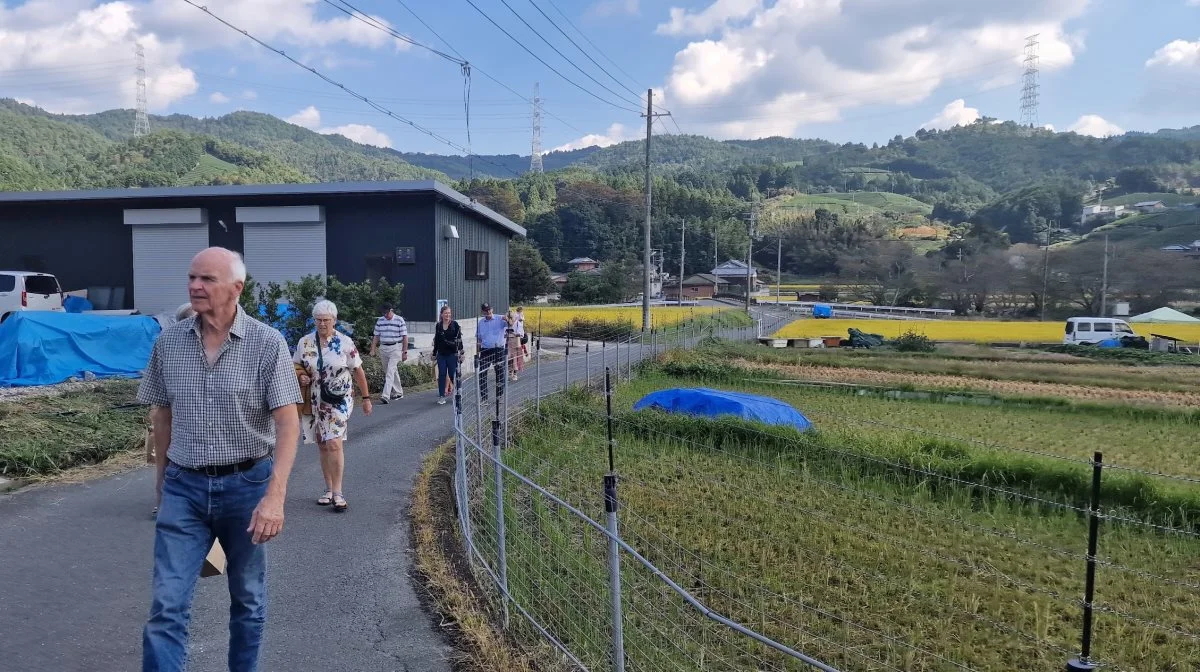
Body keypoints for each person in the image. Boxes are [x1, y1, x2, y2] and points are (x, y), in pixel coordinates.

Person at [139, 247, 302, 672]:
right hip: (184, 488)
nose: (195, 286)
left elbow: (288, 425)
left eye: (207, 279)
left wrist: (275, 497)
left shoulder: (267, 344)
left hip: (247, 488)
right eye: (192, 277)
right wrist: (161, 482)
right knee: (166, 605)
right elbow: (162, 417)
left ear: (236, 288)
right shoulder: (168, 342)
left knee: (247, 599)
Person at [293, 300, 373, 512]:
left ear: (334, 320)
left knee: (334, 443)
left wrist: (366, 398)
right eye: (318, 320)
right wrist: (301, 376)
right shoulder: (305, 342)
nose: (322, 324)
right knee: (322, 444)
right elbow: (296, 365)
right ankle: (328, 490)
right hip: (314, 400)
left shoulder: (345, 342)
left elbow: (358, 370)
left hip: (338, 400)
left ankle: (338, 492)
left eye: (326, 320)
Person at [149, 303, 198, 518]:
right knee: (168, 460)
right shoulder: (170, 350)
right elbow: (160, 405)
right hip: (178, 425)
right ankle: (165, 498)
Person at [370, 304, 408, 403]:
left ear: (391, 310)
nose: (385, 315)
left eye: (386, 313)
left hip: (395, 347)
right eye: (383, 313)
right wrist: (373, 349)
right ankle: (399, 392)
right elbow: (376, 336)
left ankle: (385, 395)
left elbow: (405, 337)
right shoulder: (380, 321)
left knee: (390, 372)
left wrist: (405, 352)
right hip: (383, 347)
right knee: (389, 371)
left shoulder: (399, 320)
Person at [476, 303, 508, 403]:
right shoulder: (481, 322)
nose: (488, 312)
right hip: (485, 350)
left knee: (499, 373)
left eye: (489, 310)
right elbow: (479, 339)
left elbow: (511, 322)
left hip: (498, 349)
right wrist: (477, 353)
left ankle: (499, 396)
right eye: (485, 311)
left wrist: (508, 318)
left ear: (492, 309)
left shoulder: (500, 318)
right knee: (482, 374)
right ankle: (484, 398)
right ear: (483, 312)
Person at [433, 304, 464, 405]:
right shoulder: (438, 325)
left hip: (452, 354)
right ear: (441, 314)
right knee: (442, 374)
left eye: (449, 313)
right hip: (441, 354)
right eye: (446, 313)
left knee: (452, 374)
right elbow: (436, 341)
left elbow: (459, 340)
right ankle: (442, 396)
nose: (448, 315)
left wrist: (461, 353)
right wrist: (434, 353)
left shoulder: (455, 324)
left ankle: (458, 392)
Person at [506, 310, 524, 381]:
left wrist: (513, 333)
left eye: (511, 317)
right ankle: (510, 372)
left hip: (515, 342)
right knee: (509, 358)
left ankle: (515, 373)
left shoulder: (517, 323)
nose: (510, 319)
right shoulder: (506, 323)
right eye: (508, 317)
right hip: (507, 342)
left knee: (515, 359)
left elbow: (521, 334)